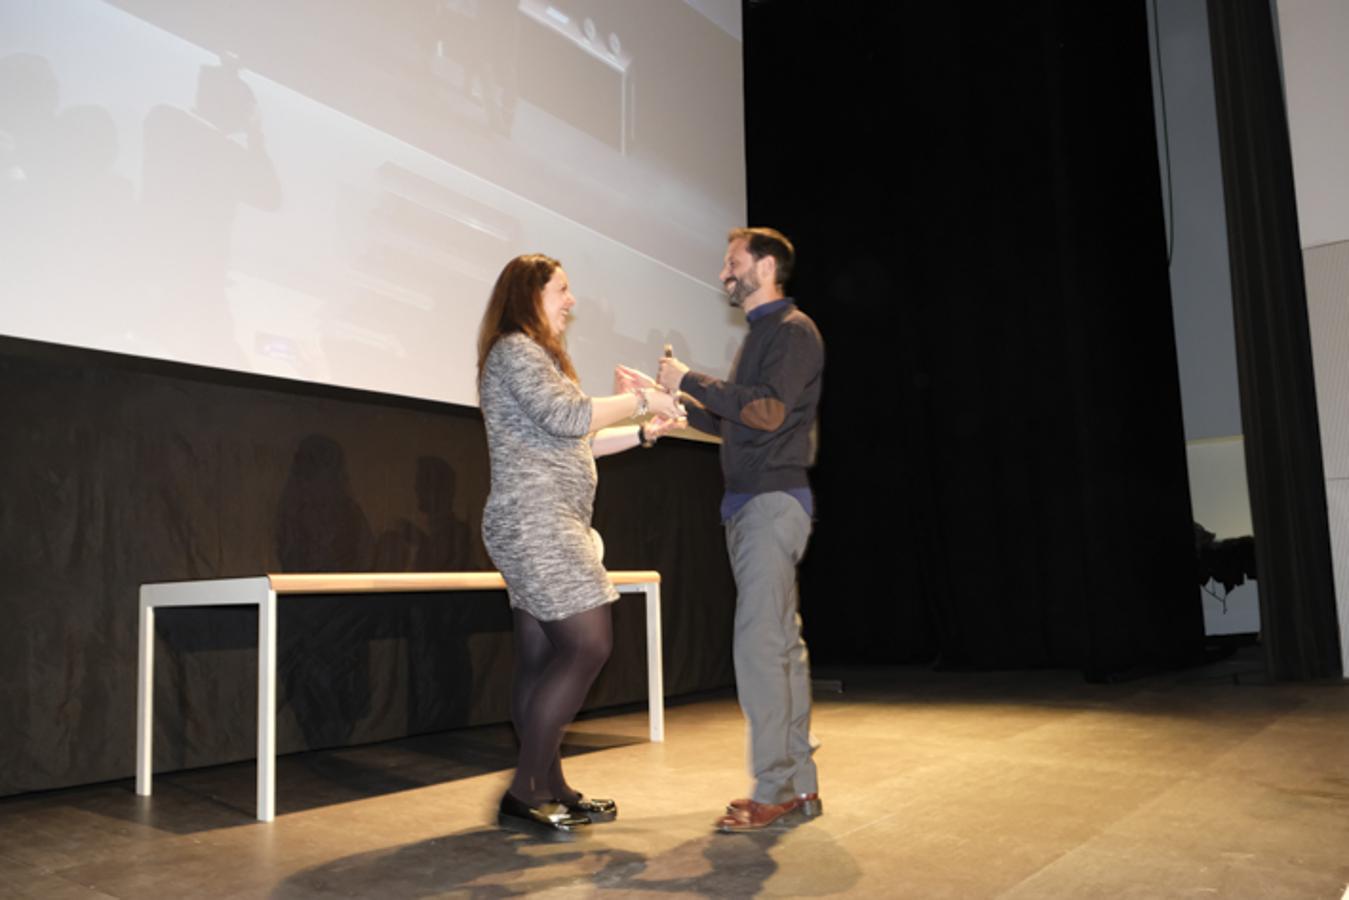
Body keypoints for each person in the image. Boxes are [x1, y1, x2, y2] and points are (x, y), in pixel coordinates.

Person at [622, 227, 824, 832]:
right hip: (753, 504)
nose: (722, 274)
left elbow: (764, 411)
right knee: (780, 650)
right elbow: (744, 423)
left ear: (765, 267)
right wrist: (671, 406)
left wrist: (687, 378)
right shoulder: (765, 336)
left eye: (732, 263)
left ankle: (774, 788)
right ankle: (797, 788)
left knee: (762, 650)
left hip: (769, 504)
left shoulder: (792, 332)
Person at [477, 253, 683, 840]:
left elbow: (577, 445)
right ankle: (523, 791)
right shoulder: (516, 350)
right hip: (537, 523)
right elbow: (571, 417)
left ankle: (549, 787)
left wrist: (642, 432)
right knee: (589, 645)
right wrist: (644, 400)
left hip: (543, 520)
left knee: (543, 659)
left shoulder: (536, 359)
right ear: (529, 293)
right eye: (562, 290)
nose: (571, 302)